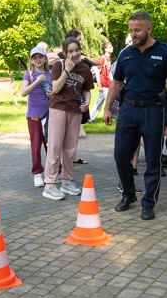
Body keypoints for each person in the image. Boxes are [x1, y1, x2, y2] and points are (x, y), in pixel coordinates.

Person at [103, 11, 167, 220]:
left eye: (137, 30)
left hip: (153, 110)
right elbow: (116, 83)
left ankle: (149, 203)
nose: (133, 34)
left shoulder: (166, 52)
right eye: (131, 30)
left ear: (149, 29)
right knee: (120, 154)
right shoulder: (125, 54)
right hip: (128, 109)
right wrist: (107, 108)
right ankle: (129, 195)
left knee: (153, 158)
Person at [43, 37, 93, 200]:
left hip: (75, 110)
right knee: (55, 146)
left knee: (70, 148)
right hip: (58, 107)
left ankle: (66, 182)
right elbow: (56, 87)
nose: (74, 54)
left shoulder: (85, 68)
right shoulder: (59, 65)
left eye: (76, 50)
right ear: (64, 53)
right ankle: (49, 184)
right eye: (70, 51)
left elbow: (87, 90)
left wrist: (87, 102)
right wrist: (67, 70)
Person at [21, 46, 52, 188]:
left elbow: (56, 91)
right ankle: (37, 173)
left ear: (45, 59)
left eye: (41, 57)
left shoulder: (51, 74)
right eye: (35, 58)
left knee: (51, 144)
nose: (38, 60)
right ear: (31, 60)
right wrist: (37, 81)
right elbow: (23, 92)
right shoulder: (29, 74)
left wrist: (53, 94)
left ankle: (54, 170)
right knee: (36, 144)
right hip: (34, 116)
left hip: (50, 114)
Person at [89, 41, 113, 122]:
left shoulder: (108, 59)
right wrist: (99, 86)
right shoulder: (102, 59)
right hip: (103, 85)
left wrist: (113, 81)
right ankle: (115, 117)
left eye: (112, 47)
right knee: (110, 101)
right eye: (110, 47)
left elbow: (108, 72)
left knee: (98, 102)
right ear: (105, 49)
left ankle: (90, 118)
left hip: (107, 85)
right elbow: (97, 72)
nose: (112, 48)